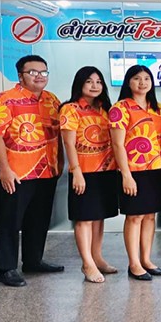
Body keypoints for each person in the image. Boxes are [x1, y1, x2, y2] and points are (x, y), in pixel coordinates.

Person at [0, 55, 63, 287]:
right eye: (33, 72)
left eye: (43, 72)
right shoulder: (5, 100)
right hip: (16, 172)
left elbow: (58, 134)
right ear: (20, 75)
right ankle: (6, 268)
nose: (39, 76)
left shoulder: (52, 100)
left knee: (39, 218)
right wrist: (4, 169)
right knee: (10, 220)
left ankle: (33, 260)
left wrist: (60, 163)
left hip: (47, 170)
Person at [109, 65, 161, 282]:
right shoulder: (120, 108)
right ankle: (134, 263)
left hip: (157, 169)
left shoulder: (158, 108)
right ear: (128, 82)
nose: (142, 82)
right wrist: (126, 175)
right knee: (134, 216)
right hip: (133, 170)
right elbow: (117, 144)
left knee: (150, 216)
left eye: (146, 78)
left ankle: (146, 259)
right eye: (137, 78)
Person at [59, 67, 119, 284]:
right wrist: (76, 171)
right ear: (79, 84)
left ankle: (97, 257)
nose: (95, 86)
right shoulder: (70, 109)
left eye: (98, 82)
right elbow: (68, 143)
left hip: (106, 169)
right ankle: (87, 263)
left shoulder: (106, 109)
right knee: (84, 218)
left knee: (98, 216)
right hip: (84, 171)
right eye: (89, 81)